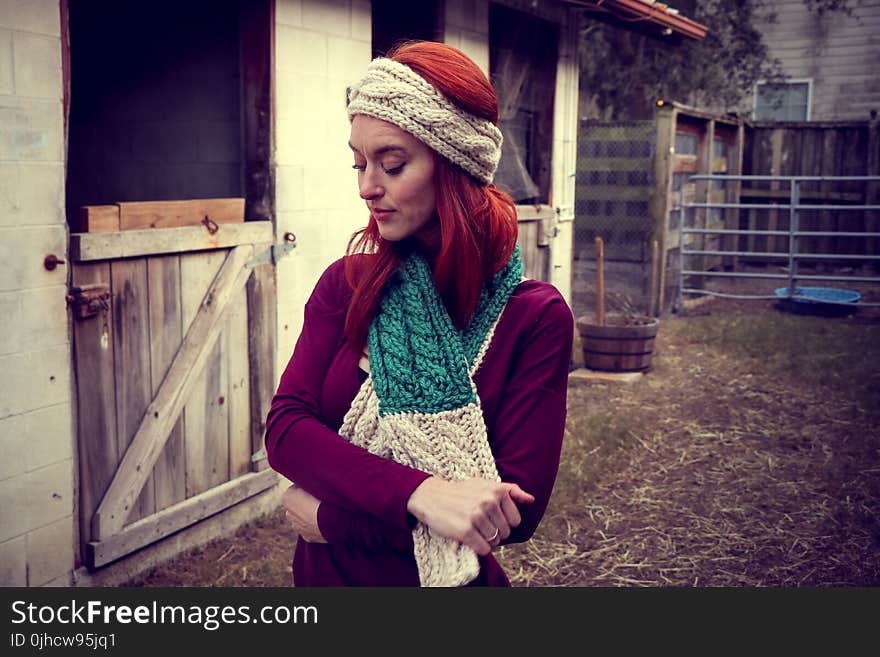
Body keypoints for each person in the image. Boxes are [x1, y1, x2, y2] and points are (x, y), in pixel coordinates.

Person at [265, 40, 573, 587]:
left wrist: (332, 519)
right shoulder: (348, 285)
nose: (366, 187)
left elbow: (512, 515)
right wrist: (422, 495)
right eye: (359, 164)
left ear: (454, 165)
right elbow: (288, 429)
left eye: (392, 163)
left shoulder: (532, 318)